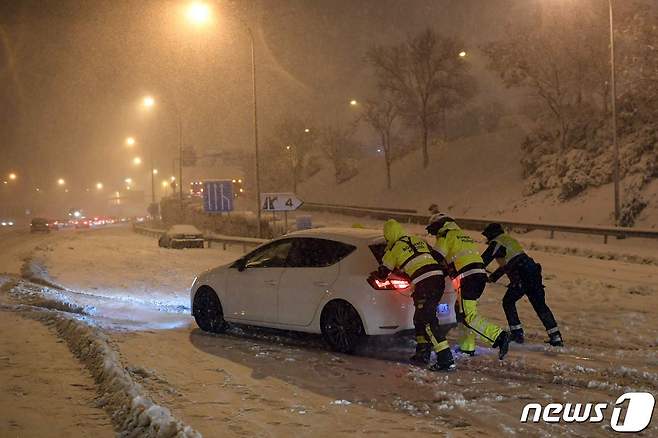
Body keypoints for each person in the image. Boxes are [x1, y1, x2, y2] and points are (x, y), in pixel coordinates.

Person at [375, 219, 456, 371]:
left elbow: (383, 273)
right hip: (438, 279)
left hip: (424, 283)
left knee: (427, 320)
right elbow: (436, 257)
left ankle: (445, 358)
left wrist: (378, 272)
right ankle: (422, 352)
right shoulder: (418, 240)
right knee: (419, 318)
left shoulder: (393, 250)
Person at [426, 214, 510, 359]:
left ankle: (499, 336)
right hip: (478, 276)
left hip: (467, 278)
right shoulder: (461, 235)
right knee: (463, 313)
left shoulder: (446, 235)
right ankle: (467, 347)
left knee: (468, 316)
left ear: (439, 226)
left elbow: (436, 257)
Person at [481, 223, 564, 346]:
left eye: (487, 236)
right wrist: (493, 277)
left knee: (508, 302)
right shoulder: (508, 240)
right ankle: (555, 336)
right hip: (532, 271)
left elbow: (482, 261)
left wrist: (475, 270)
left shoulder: (497, 243)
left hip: (522, 274)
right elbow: (507, 264)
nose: (486, 239)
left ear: (491, 234)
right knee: (540, 305)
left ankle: (517, 334)